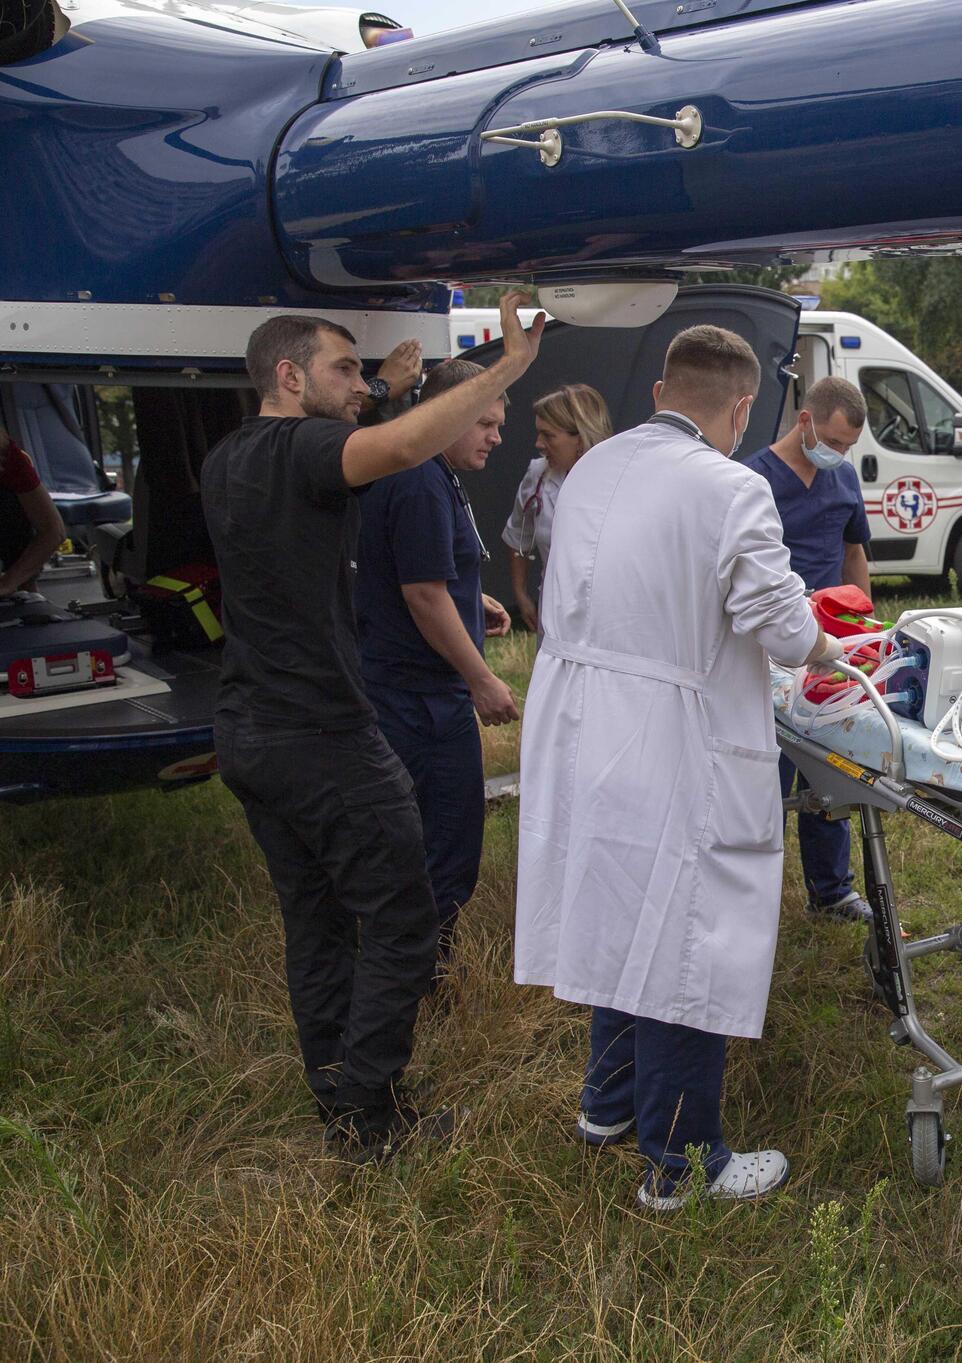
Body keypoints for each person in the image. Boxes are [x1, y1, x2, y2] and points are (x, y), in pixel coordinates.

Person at [201, 296, 544, 1160]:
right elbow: (391, 448)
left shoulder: (229, 456)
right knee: (403, 915)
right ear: (289, 375)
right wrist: (506, 366)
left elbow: (368, 431)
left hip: (249, 727)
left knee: (316, 921)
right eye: (341, 370)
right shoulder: (309, 447)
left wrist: (384, 385)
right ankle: (370, 1111)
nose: (359, 386)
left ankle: (337, 1096)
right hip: (323, 734)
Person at [514, 325, 842, 1213]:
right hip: (670, 733)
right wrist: (830, 648)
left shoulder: (590, 468)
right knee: (686, 936)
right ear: (740, 407)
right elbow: (780, 628)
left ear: (661, 389)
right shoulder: (731, 485)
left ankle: (608, 1104)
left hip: (582, 725)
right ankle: (684, 1159)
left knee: (622, 913)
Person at [353, 357, 522, 976]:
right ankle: (422, 974)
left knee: (431, 840)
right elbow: (421, 595)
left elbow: (420, 576)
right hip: (419, 699)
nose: (496, 437)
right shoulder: (420, 479)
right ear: (442, 414)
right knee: (444, 845)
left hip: (407, 690)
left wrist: (468, 597)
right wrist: (481, 677)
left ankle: (412, 964)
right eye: (483, 421)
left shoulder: (428, 473)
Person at [744, 376, 875, 924]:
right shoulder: (752, 480)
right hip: (767, 647)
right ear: (805, 420)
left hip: (829, 645)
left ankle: (833, 890)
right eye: (834, 442)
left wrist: (864, 628)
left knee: (830, 768)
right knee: (763, 774)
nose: (839, 455)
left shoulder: (841, 480)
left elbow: (854, 553)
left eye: (848, 447)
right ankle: (753, 894)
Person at [503, 383, 612, 635]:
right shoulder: (538, 475)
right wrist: (521, 594)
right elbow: (517, 536)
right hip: (553, 611)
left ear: (581, 436)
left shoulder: (618, 479)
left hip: (606, 617)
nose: (539, 444)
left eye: (548, 435)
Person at [0, 421, 66, 596]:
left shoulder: (8, 456)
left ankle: (24, 593)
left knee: (11, 504)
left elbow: (53, 531)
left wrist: (7, 583)